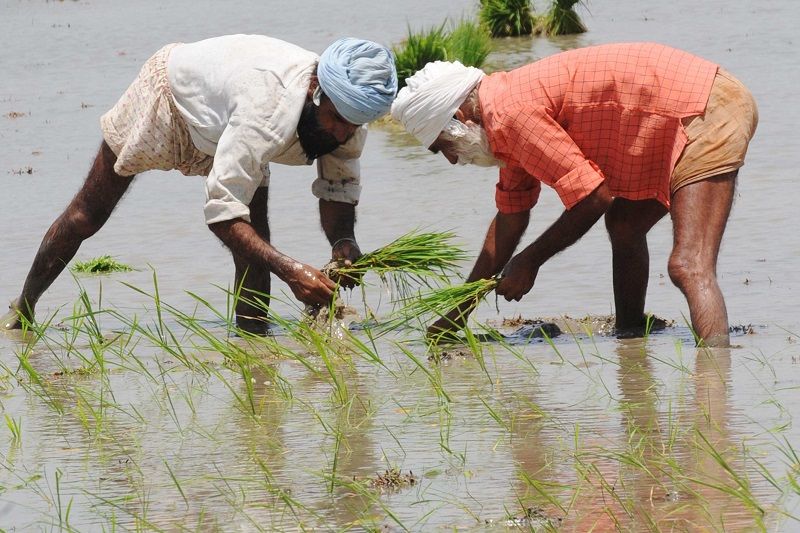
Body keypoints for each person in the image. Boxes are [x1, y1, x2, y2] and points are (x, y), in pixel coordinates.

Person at [1, 34, 397, 335]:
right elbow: (223, 215)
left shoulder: (347, 122)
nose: (343, 133)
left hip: (228, 121)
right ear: (316, 93)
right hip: (168, 99)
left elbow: (338, 189)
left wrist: (343, 242)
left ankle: (252, 345)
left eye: (354, 124)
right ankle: (25, 308)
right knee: (89, 213)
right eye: (336, 119)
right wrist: (291, 271)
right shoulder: (267, 111)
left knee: (257, 237)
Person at [391, 42, 757, 347]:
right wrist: (455, 315)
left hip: (706, 108)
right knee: (625, 225)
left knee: (689, 265)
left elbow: (594, 197)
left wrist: (530, 260)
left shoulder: (509, 114)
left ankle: (715, 389)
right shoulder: (501, 122)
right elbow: (510, 217)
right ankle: (630, 338)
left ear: (459, 116)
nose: (454, 160)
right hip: (688, 105)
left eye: (444, 147)